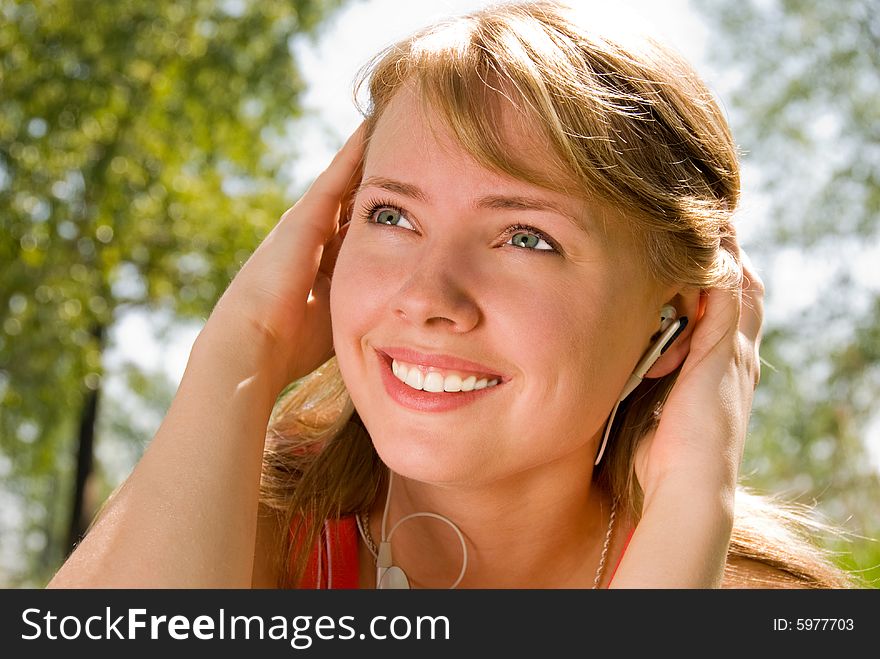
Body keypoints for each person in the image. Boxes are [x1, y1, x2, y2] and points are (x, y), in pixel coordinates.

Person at [48, 0, 855, 589]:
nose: (429, 296)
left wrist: (690, 505)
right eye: (393, 214)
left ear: (675, 327)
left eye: (526, 237)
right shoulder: (236, 529)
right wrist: (240, 348)